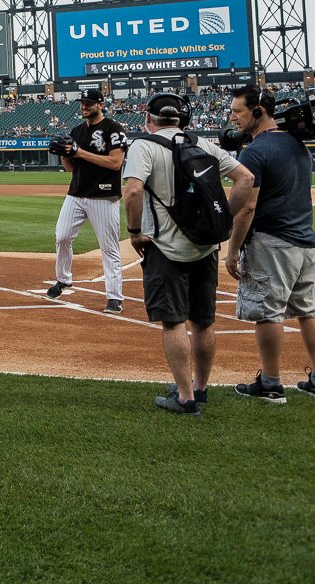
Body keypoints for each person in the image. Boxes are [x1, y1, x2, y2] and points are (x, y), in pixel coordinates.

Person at [122, 93, 253, 416]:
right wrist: (222, 220)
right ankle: (201, 388)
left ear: (149, 119)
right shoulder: (204, 144)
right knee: (204, 321)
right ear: (184, 119)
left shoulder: (144, 145)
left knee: (173, 322)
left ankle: (184, 397)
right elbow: (246, 178)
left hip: (165, 247)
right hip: (204, 246)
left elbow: (134, 190)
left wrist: (135, 231)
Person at [223, 85, 315, 403]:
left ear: (259, 112)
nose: (233, 117)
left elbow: (248, 207)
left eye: (238, 111)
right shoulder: (297, 145)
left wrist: (232, 250)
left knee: (268, 312)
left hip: (272, 241)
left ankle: (271, 384)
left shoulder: (255, 151)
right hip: (305, 240)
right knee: (308, 310)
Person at [47, 88, 128, 313]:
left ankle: (114, 297)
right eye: (82, 103)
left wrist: (79, 152)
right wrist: (64, 154)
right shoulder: (76, 131)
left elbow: (115, 163)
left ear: (100, 104)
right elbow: (71, 167)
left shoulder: (113, 129)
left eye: (89, 103)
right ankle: (63, 279)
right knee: (62, 237)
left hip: (103, 195)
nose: (84, 106)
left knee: (109, 248)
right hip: (76, 193)